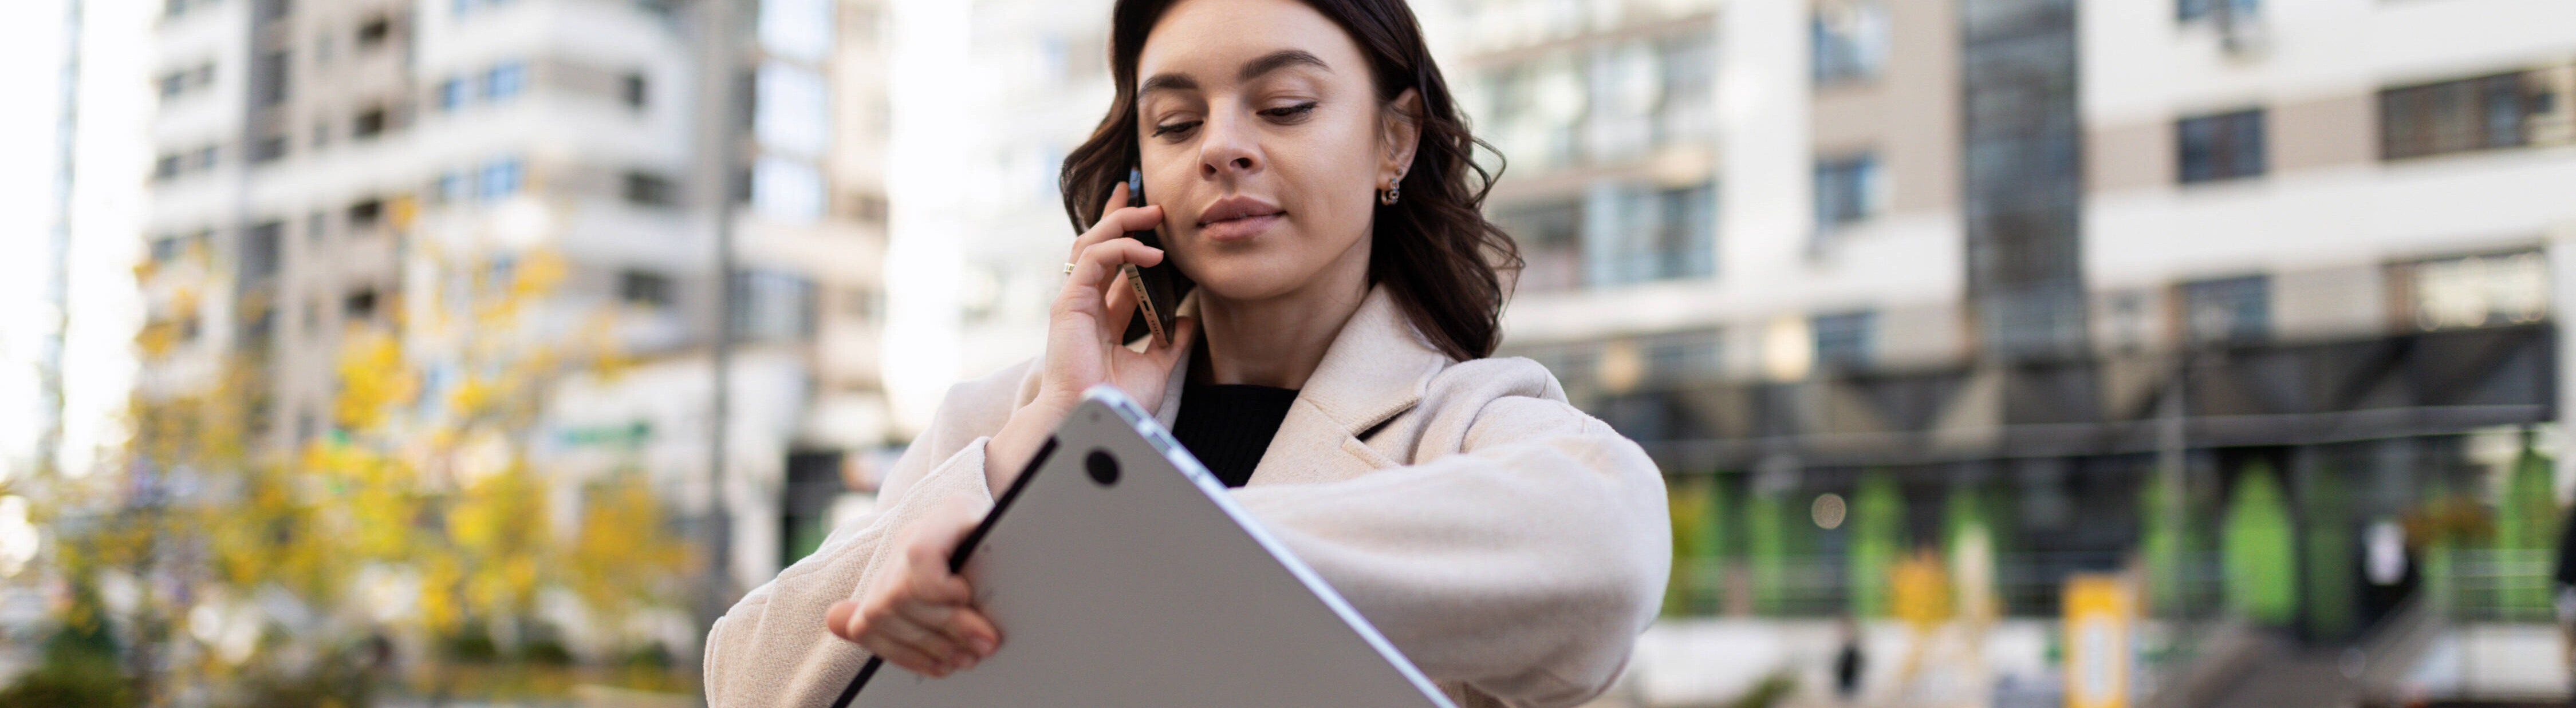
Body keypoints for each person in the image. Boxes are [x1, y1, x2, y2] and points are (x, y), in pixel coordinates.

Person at [699, 0, 1672, 706]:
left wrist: (1094, 540)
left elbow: (1609, 551)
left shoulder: (1461, 420)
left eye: (1284, 105)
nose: (1222, 147)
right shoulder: (997, 425)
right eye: (1174, 121)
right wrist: (1039, 450)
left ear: (1395, 140)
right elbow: (745, 678)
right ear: (1138, 171)